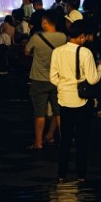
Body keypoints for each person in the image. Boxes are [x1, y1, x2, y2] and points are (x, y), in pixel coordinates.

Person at [50, 20, 101, 183]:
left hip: (64, 99)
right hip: (82, 101)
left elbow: (52, 77)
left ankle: (61, 174)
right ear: (81, 36)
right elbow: (92, 80)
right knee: (82, 140)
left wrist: (64, 85)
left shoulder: (57, 52)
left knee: (64, 139)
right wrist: (100, 67)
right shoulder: (85, 53)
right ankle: (81, 175)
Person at [24, 9, 65, 149]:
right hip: (57, 80)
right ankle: (64, 140)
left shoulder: (36, 38)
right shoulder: (63, 37)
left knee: (39, 113)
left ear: (46, 22)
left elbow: (26, 51)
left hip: (39, 79)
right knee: (59, 112)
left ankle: (39, 143)